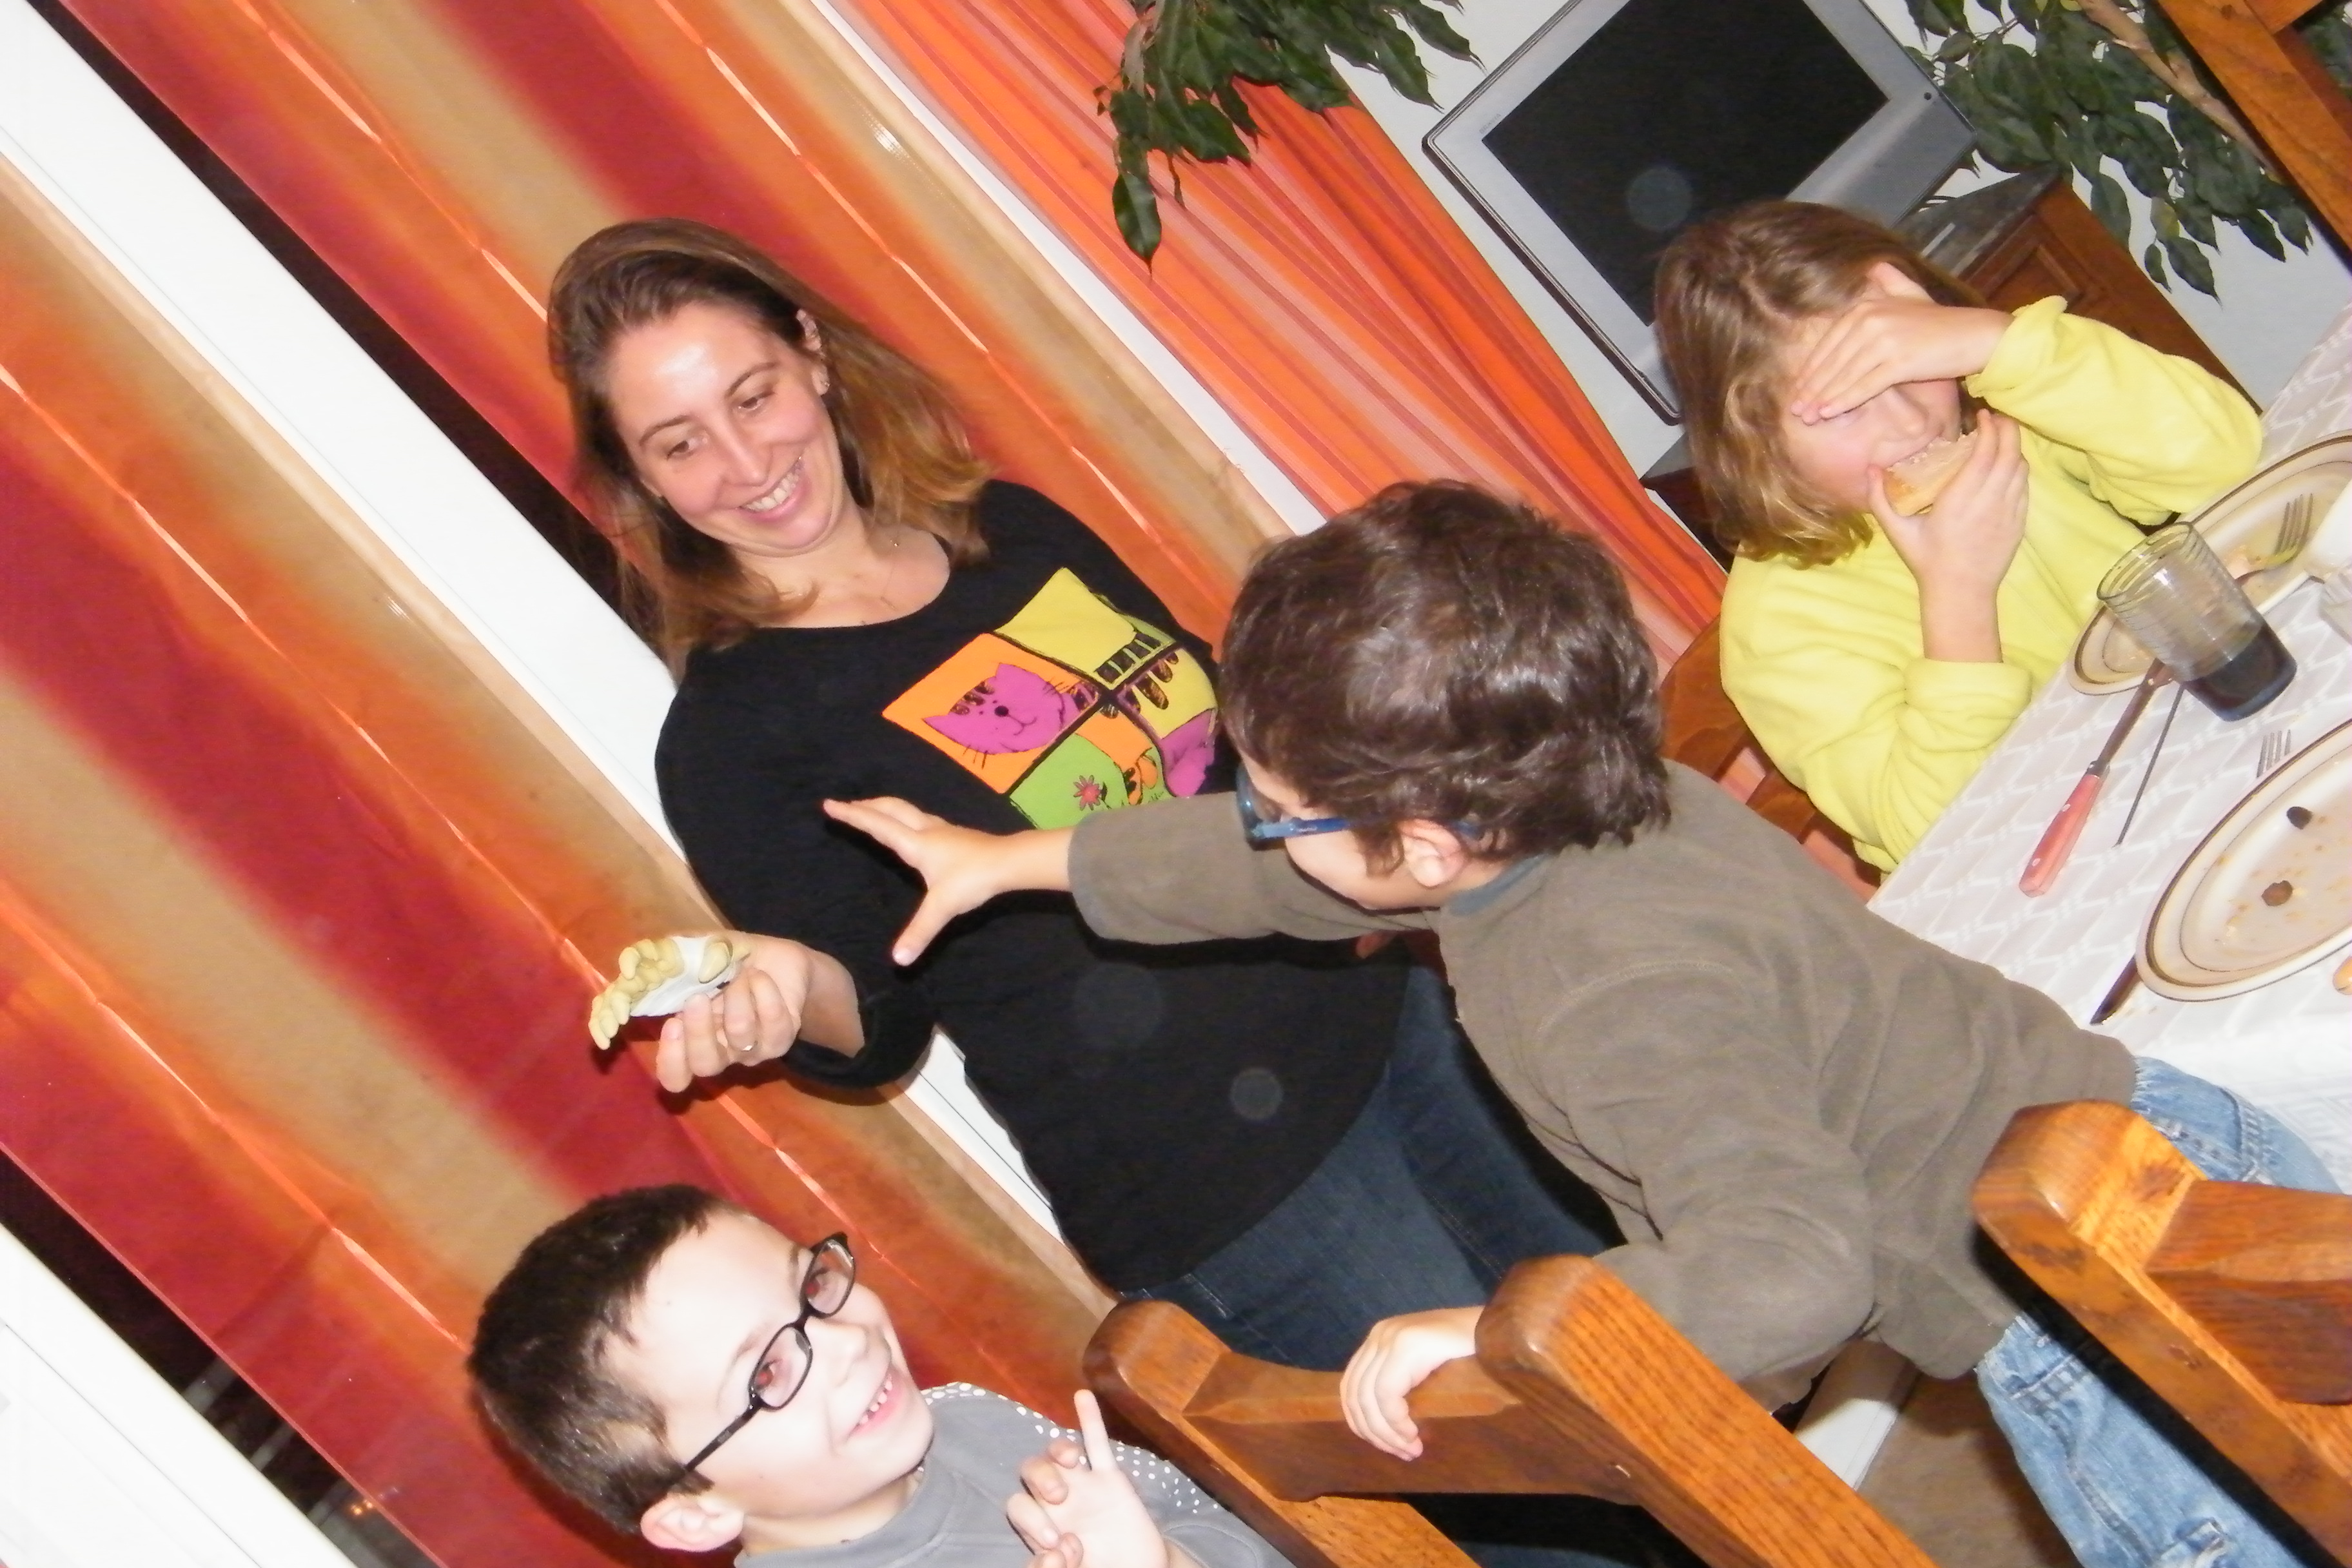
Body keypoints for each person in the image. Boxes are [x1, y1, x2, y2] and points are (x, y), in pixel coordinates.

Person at [828, 482, 2340, 1568]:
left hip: (2087, 1324)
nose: (1259, 826)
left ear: (1426, 846)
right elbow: (1272, 871)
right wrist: (1018, 861)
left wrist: (1491, 1327)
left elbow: (1793, 1264)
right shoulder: (1572, 786)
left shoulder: (1605, 989)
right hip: (2167, 1154)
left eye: (1280, 807)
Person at [549, 220, 1648, 1563]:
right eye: (679, 444)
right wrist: (780, 987)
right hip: (1239, 1186)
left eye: (753, 393)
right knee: (1551, 1527)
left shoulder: (1009, 532)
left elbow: (1239, 742)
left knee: (1656, 1391)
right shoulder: (732, 733)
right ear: (642, 482)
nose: (744, 463)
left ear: (814, 357)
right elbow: (871, 1017)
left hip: (1398, 1027)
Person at [1652, 200, 2260, 871]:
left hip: (2198, 743)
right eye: (1845, 409)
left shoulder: (2011, 418)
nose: (1911, 423)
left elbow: (2231, 463)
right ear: (1753, 442)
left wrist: (2000, 344)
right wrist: (1959, 594)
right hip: (2082, 860)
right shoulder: (1781, 628)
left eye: (1912, 365)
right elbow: (1941, 841)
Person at [468, 1184, 1282, 1566]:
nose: (845, 1340)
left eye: (812, 1285)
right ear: (696, 1512)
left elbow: (1250, 1540)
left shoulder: (961, 1416)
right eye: (769, 1371)